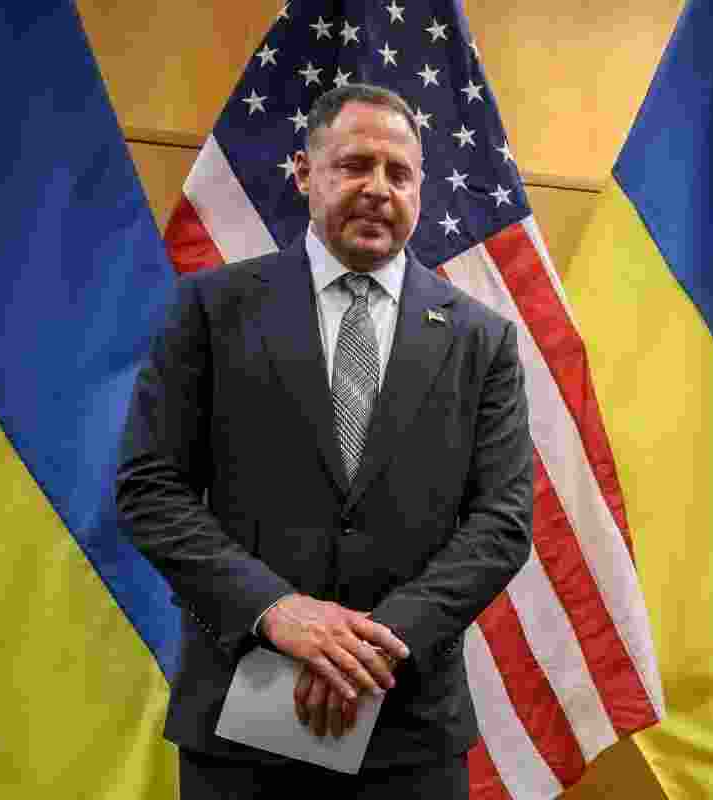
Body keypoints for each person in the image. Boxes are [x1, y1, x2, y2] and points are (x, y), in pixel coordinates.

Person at [117, 83, 533, 798]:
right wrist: (279, 612)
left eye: (398, 173)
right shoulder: (212, 310)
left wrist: (375, 646)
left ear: (421, 190)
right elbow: (150, 489)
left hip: (409, 737)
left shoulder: (481, 339)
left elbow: (502, 522)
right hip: (240, 733)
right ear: (307, 174)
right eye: (354, 165)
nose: (378, 188)